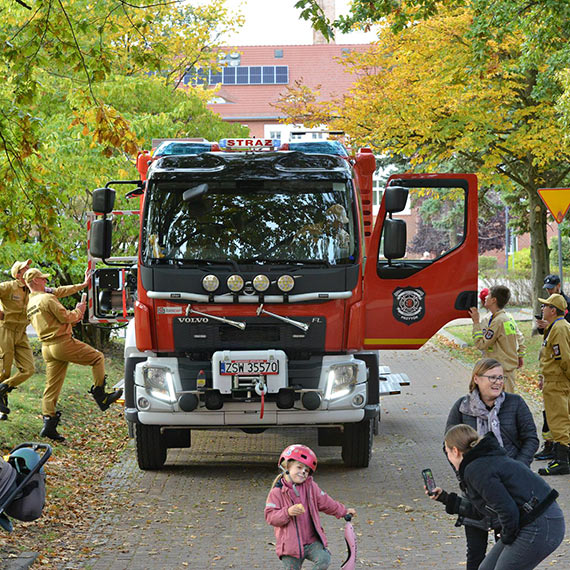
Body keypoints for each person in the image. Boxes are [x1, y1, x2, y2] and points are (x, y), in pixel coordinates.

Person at [445, 358, 539, 570]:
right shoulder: (462, 408)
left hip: (511, 490)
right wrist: (463, 474)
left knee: (508, 548)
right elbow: (449, 445)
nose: (497, 382)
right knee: (475, 552)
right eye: (492, 377)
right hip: (476, 489)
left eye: (500, 377)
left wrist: (518, 468)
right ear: (476, 379)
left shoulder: (515, 404)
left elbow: (531, 439)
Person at [428, 424, 564, 570]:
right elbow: (482, 510)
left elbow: (507, 510)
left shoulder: (477, 469)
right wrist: (445, 498)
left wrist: (506, 536)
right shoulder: (480, 462)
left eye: (447, 452)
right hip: (531, 520)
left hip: (542, 522)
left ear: (455, 451)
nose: (448, 457)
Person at [24, 268, 122, 441]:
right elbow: (67, 317)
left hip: (47, 348)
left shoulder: (30, 303)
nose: (46, 282)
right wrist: (79, 310)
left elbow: (58, 300)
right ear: (36, 281)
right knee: (98, 357)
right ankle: (102, 396)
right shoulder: (47, 298)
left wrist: (83, 285)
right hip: (62, 343)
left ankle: (48, 424)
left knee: (51, 386)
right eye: (43, 279)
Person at [0, 260, 90, 419]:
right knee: (4, 371)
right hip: (5, 330)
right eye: (25, 268)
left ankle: (2, 389)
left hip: (21, 333)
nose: (28, 269)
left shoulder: (35, 290)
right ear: (18, 274)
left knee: (28, 370)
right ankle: (2, 406)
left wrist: (82, 285)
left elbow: (60, 291)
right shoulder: (8, 287)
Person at [265, 444, 356, 569]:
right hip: (290, 546)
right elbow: (270, 517)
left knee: (324, 559)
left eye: (306, 470)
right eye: (299, 467)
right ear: (286, 466)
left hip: (312, 541)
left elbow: (327, 502)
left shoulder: (311, 487)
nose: (303, 472)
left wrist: (343, 510)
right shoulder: (277, 492)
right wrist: (288, 512)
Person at [533, 275, 570, 461]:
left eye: (545, 306)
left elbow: (564, 359)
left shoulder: (560, 328)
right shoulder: (554, 326)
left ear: (553, 311)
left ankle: (562, 461)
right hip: (551, 381)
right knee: (555, 421)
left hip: (558, 382)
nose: (542, 308)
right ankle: (560, 456)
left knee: (559, 421)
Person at [469, 285, 525, 393]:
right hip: (505, 371)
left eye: (488, 295)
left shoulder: (498, 321)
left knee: (502, 406)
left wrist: (476, 322)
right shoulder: (505, 318)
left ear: (494, 300)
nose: (485, 297)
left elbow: (481, 344)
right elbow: (519, 338)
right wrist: (520, 354)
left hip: (501, 372)